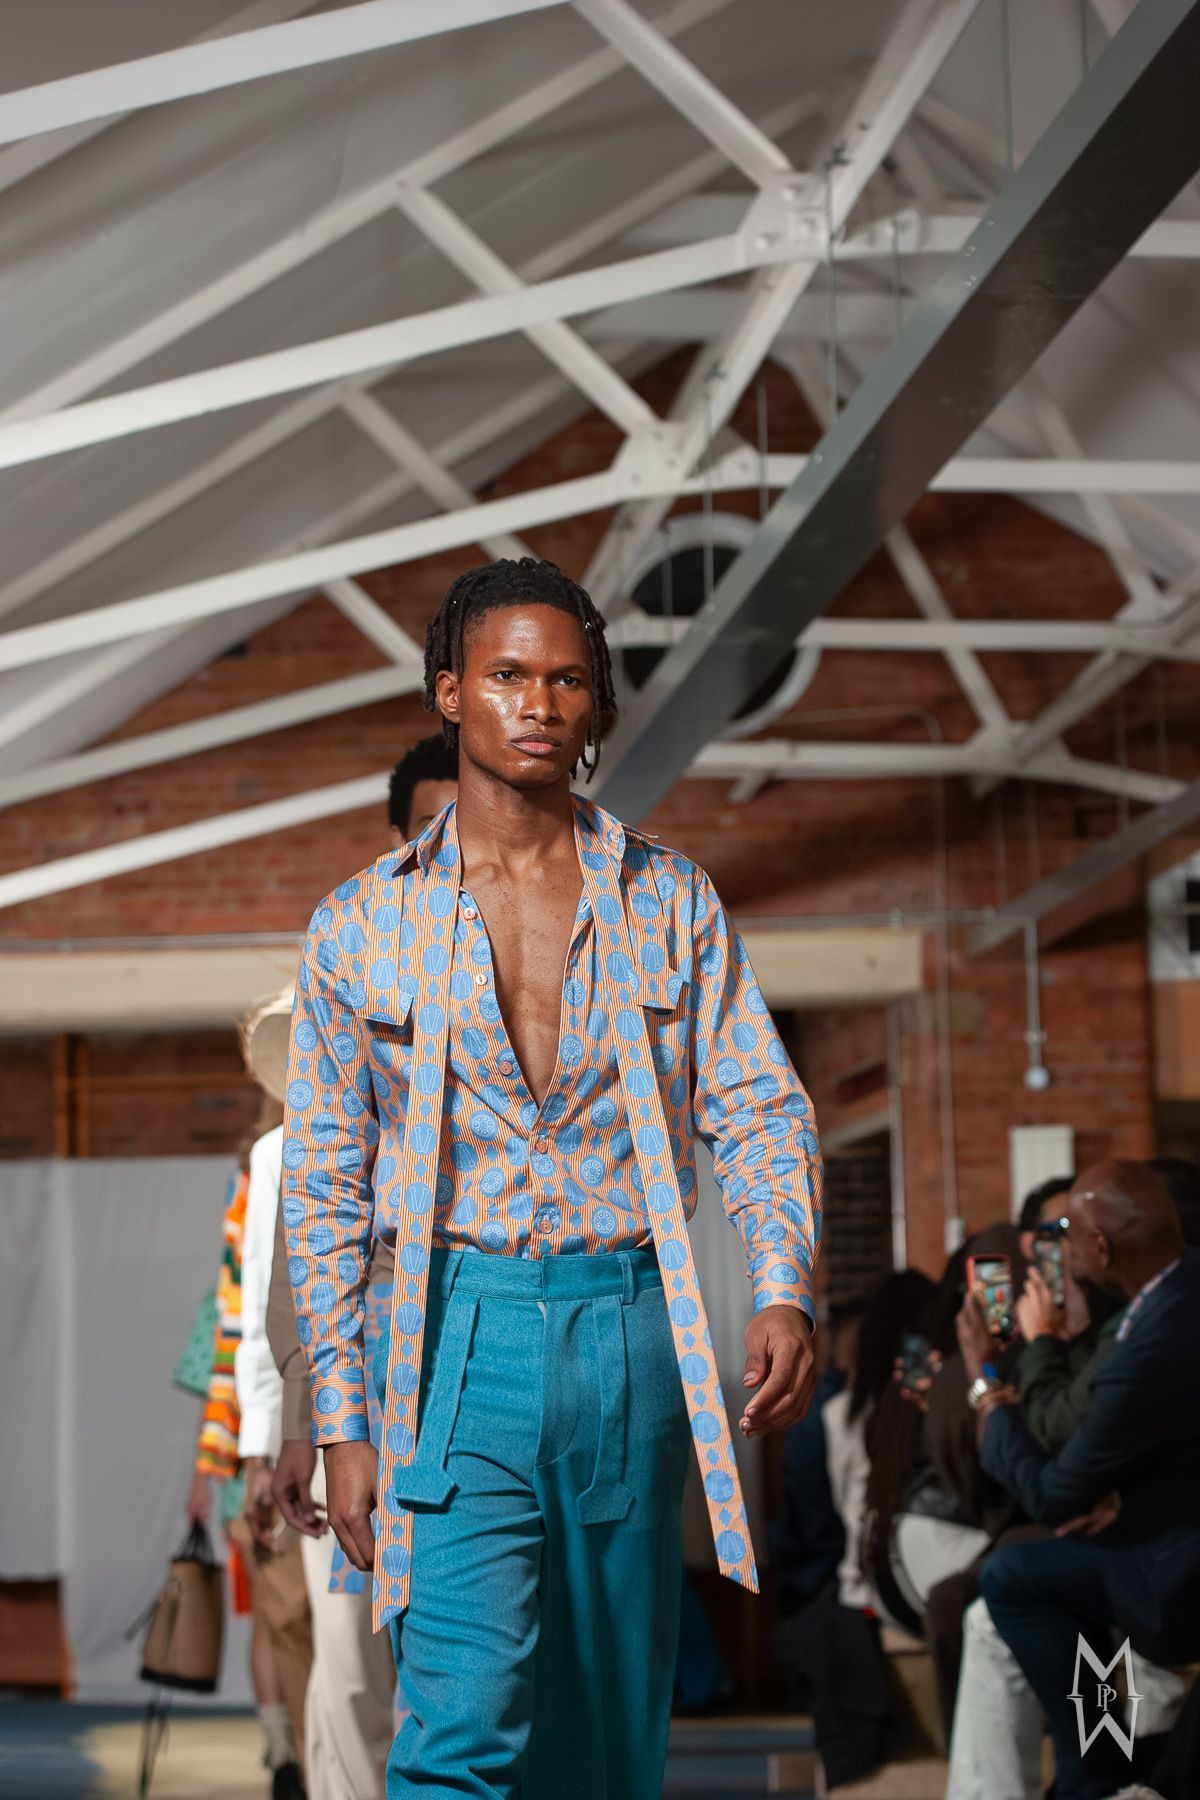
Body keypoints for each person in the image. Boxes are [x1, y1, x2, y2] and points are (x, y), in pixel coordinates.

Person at [281, 556, 823, 1799]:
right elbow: (323, 1184)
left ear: (596, 706)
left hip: (630, 1331)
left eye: (567, 680)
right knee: (457, 1728)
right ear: (451, 693)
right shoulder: (359, 924)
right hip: (449, 1336)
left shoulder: (671, 900)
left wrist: (784, 1285)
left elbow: (755, 1106)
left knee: (603, 1740)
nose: (538, 703)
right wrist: (342, 1418)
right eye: (508, 675)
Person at [268, 735, 458, 1800]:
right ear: (397, 839)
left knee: (468, 1661)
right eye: (433, 823)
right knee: (352, 1665)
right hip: (359, 1379)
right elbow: (310, 1236)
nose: (456, 842)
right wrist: (304, 1418)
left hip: (485, 1359)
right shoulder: (353, 967)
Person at [964, 1160, 1200, 1800]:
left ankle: (1096, 1773)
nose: (1058, 1249)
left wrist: (985, 1383)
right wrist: (1119, 1489)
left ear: (1099, 1247)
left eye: (1065, 1233)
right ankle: (1096, 1768)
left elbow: (1053, 1491)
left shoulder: (1143, 1342)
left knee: (1011, 1579)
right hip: (1167, 1518)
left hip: (1178, 1574)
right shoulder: (1174, 1297)